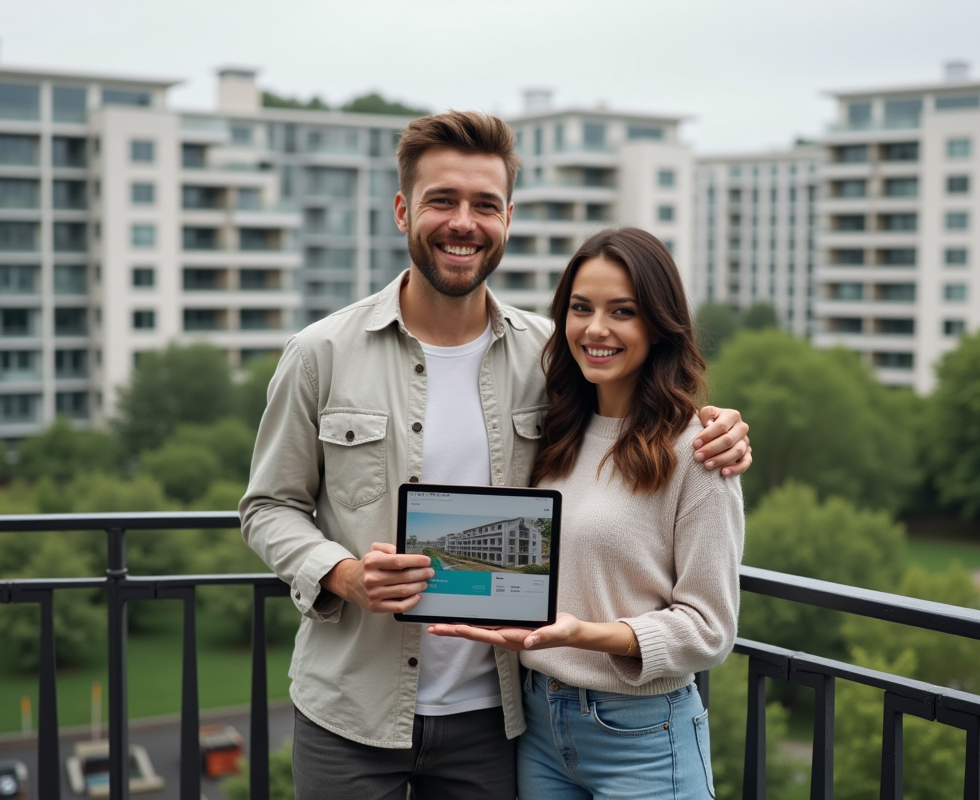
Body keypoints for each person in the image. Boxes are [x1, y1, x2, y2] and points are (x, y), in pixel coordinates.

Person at [240, 112, 750, 800]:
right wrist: (342, 573)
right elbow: (269, 508)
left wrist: (716, 427)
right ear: (402, 210)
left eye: (484, 204)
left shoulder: (555, 356)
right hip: (349, 712)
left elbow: (638, 408)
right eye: (442, 200)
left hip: (500, 719)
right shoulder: (320, 354)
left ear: (507, 218)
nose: (464, 222)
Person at [430, 227, 742, 799]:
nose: (596, 328)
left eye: (622, 311)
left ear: (658, 323)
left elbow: (711, 629)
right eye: (581, 308)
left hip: (645, 737)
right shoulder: (555, 429)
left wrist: (588, 635)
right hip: (540, 726)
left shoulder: (698, 450)